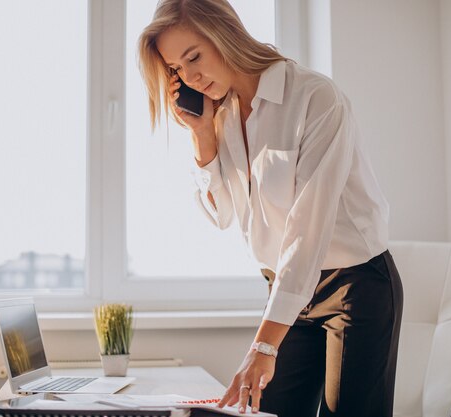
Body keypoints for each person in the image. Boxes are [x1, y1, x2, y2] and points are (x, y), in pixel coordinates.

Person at [138, 1, 403, 416]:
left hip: (353, 287)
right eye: (176, 69)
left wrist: (262, 344)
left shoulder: (316, 98)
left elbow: (307, 232)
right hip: (287, 288)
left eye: (194, 57)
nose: (190, 76)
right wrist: (203, 134)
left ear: (226, 33)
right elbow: (221, 215)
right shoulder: (219, 114)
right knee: (268, 411)